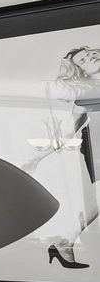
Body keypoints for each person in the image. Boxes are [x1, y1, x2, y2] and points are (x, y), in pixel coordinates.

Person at [26, 45, 100, 268]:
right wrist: (36, 158)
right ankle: (65, 241)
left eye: (91, 54)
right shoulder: (88, 93)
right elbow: (69, 131)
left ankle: (64, 242)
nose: (91, 57)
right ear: (81, 72)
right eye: (83, 61)